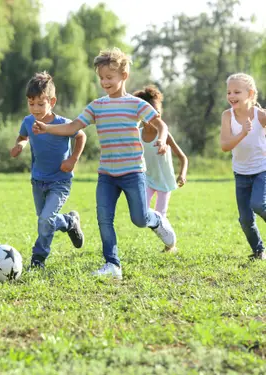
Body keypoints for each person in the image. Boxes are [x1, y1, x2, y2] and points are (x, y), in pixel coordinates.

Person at [32, 47, 176, 279]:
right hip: (107, 174)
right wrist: (47, 127)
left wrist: (161, 139)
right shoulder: (97, 106)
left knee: (139, 219)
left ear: (124, 76)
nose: (104, 82)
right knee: (104, 219)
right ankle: (112, 265)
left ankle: (156, 220)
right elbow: (73, 127)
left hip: (132, 172)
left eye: (109, 77)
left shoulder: (136, 104)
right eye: (101, 78)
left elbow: (161, 125)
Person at [10, 71, 86, 269]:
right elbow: (23, 137)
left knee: (45, 219)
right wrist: (20, 145)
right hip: (38, 180)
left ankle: (38, 258)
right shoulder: (28, 122)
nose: (35, 108)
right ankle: (69, 222)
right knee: (46, 219)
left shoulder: (62, 124)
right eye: (31, 103)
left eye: (40, 104)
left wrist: (73, 159)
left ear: (52, 102)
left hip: (60, 181)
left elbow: (81, 136)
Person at [220, 72, 266, 260]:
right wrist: (243, 133)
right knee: (245, 220)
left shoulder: (261, 115)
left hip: (262, 170)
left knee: (258, 204)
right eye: (229, 92)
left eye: (237, 92)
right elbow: (224, 146)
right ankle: (258, 251)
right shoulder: (227, 116)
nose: (231, 96)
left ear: (250, 93)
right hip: (240, 173)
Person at [133, 85, 188, 219]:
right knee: (141, 211)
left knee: (161, 215)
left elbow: (183, 158)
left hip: (164, 180)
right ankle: (154, 222)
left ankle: (166, 234)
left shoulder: (165, 135)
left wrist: (182, 174)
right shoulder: (137, 134)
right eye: (150, 113)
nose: (155, 116)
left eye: (157, 112)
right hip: (147, 179)